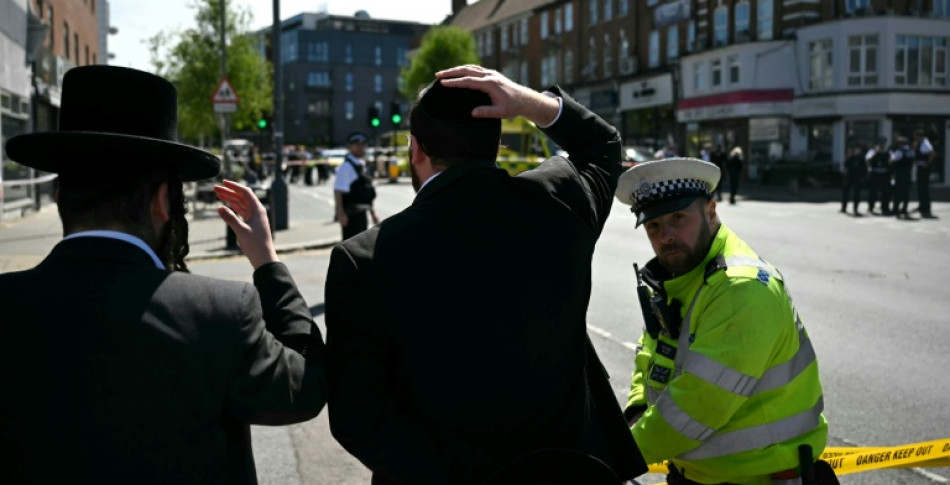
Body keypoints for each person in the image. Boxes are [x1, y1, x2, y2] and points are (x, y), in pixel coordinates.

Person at [0, 66, 327, 484]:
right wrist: (268, 264)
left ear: (60, 196)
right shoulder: (220, 314)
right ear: (163, 202)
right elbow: (308, 387)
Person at [324, 65, 646, 484]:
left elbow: (357, 418)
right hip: (565, 471)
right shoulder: (559, 199)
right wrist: (528, 102)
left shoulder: (364, 258)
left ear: (415, 150)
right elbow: (603, 144)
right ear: (495, 142)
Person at [614, 157, 834, 485]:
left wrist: (610, 458)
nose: (666, 236)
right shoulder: (682, 272)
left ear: (711, 212)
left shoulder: (739, 289)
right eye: (654, 226)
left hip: (758, 479)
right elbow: (653, 347)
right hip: (699, 474)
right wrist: (636, 409)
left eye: (678, 218)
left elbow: (694, 410)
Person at [333, 132, 379, 239]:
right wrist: (340, 213)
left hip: (362, 214)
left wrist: (373, 213)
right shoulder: (346, 167)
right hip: (351, 215)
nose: (360, 148)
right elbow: (338, 191)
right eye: (356, 145)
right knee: (351, 247)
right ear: (350, 147)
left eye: (362, 145)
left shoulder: (362, 165)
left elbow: (366, 192)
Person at [913, 129, 936, 219]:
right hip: (920, 167)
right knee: (920, 188)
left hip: (924, 168)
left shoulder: (925, 142)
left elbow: (932, 153)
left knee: (924, 188)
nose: (914, 138)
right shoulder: (919, 143)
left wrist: (927, 164)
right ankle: (921, 205)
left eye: (915, 136)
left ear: (919, 136)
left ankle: (926, 207)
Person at [890, 134, 914, 219]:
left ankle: (896, 209)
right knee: (906, 193)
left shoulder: (899, 152)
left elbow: (892, 161)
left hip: (899, 174)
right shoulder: (911, 152)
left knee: (898, 192)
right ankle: (904, 208)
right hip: (908, 175)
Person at [865, 139, 892, 215]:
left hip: (884, 174)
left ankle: (885, 207)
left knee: (885, 192)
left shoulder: (888, 152)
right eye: (880, 145)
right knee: (873, 192)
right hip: (875, 174)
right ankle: (871, 207)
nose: (881, 146)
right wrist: (876, 153)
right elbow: (868, 160)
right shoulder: (872, 152)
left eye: (882, 145)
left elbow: (891, 161)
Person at [840, 145, 868, 216]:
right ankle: (843, 207)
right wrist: (849, 157)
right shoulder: (850, 157)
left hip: (857, 177)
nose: (856, 151)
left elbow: (864, 168)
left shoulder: (861, 158)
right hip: (849, 177)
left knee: (857, 194)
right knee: (845, 192)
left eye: (857, 150)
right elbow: (845, 165)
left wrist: (863, 177)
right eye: (855, 150)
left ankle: (855, 209)